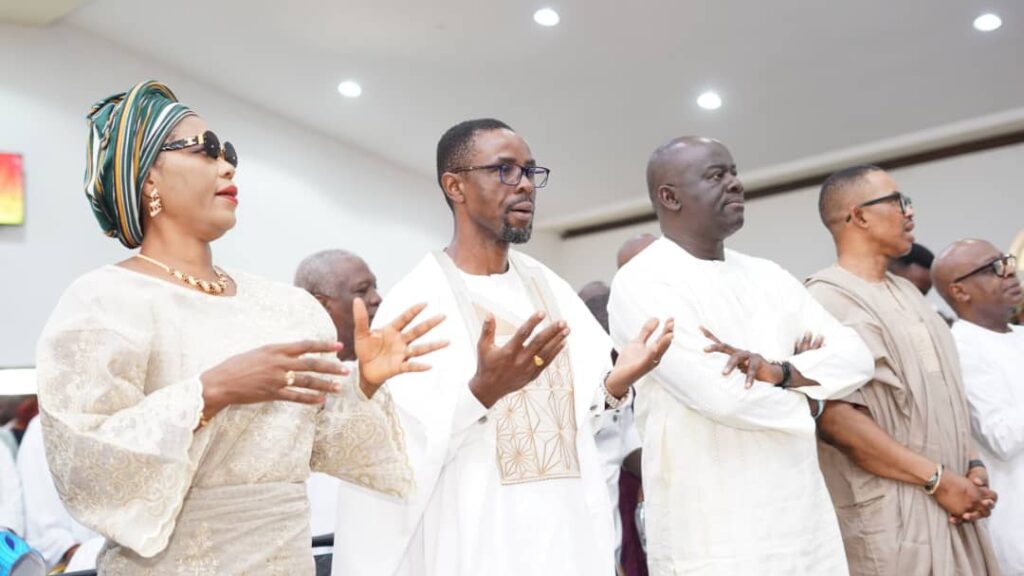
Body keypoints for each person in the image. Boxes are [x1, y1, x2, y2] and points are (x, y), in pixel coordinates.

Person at [35, 81, 446, 575]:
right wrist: (212, 391)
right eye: (204, 150)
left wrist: (365, 384)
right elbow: (84, 463)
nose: (227, 166)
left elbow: (325, 446)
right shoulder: (102, 302)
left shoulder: (287, 307)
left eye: (227, 152)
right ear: (148, 178)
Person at [332, 118, 672, 576]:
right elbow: (397, 452)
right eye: (505, 170)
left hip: (567, 534)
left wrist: (615, 383)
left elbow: (575, 418)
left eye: (530, 171)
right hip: (477, 541)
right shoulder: (419, 300)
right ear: (455, 185)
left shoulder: (549, 287)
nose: (525, 184)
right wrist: (481, 392)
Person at [608, 136, 873, 575]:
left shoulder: (768, 275)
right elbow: (724, 397)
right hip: (713, 533)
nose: (735, 184)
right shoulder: (643, 281)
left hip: (802, 520)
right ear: (669, 197)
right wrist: (813, 400)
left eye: (733, 172)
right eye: (716, 175)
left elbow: (858, 358)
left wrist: (781, 372)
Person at [807, 165, 1000, 575]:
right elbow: (838, 421)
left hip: (954, 503)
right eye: (897, 202)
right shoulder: (824, 300)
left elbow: (945, 394)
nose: (909, 212)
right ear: (859, 216)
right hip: (896, 517)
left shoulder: (910, 294)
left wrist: (972, 465)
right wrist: (937, 479)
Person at [934, 239, 1024, 574]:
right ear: (959, 291)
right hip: (1016, 524)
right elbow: (1002, 437)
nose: (1009, 272)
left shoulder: (1019, 335)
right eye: (993, 268)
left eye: (1007, 261)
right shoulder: (960, 347)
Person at [294, 249, 384, 539]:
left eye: (375, 287)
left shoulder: (389, 370)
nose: (376, 298)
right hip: (317, 543)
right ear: (321, 304)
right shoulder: (292, 377)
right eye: (362, 290)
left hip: (377, 537)